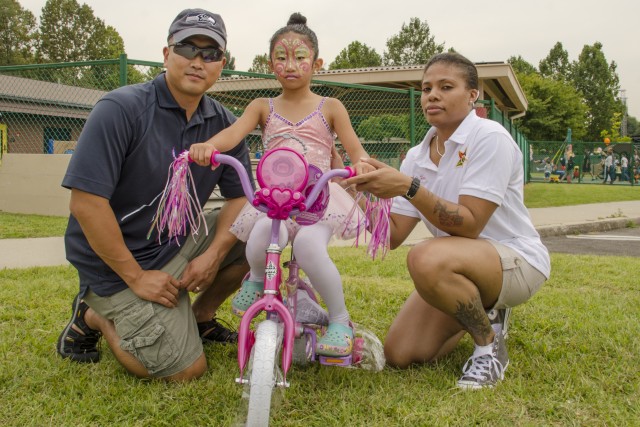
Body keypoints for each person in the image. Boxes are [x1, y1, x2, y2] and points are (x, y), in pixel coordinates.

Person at [56, 8, 255, 382]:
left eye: (210, 53)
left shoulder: (225, 123)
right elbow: (85, 203)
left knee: (259, 231)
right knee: (184, 371)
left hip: (177, 242)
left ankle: (200, 316)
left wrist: (213, 255)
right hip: (118, 265)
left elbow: (240, 199)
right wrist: (135, 277)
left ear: (221, 64)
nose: (198, 61)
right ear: (167, 54)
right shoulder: (121, 109)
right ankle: (92, 314)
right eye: (187, 48)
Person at [344, 52, 550, 389]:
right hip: (460, 263)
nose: (432, 95)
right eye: (426, 89)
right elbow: (393, 235)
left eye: (445, 86)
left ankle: (488, 344)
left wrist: (408, 187)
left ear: (473, 95)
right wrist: (354, 190)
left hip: (517, 261)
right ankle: (485, 311)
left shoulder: (489, 138)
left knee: (425, 256)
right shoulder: (417, 155)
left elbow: (470, 225)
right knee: (401, 353)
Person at [189, 13, 373, 358]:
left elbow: (354, 148)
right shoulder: (262, 106)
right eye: (281, 57)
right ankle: (257, 279)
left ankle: (339, 320)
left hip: (317, 199)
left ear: (317, 63)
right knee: (260, 237)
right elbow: (233, 133)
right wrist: (210, 146)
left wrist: (360, 161)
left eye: (300, 57)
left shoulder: (330, 107)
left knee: (309, 248)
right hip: (274, 197)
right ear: (269, 63)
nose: (290, 65)